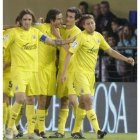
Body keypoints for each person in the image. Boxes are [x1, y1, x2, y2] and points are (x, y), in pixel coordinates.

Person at [3, 9, 75, 139]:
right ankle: (9, 128)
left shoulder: (36, 32)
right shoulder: (14, 32)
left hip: (34, 71)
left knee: (34, 100)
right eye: (24, 19)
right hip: (20, 71)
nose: (27, 22)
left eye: (29, 20)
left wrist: (68, 40)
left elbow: (53, 42)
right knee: (21, 99)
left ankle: (32, 132)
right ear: (20, 21)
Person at [61, 14, 134, 139]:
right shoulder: (80, 37)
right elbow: (69, 54)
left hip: (91, 75)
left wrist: (126, 59)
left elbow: (110, 51)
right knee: (88, 100)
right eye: (88, 23)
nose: (91, 25)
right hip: (80, 74)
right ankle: (98, 131)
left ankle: (75, 131)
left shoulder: (98, 36)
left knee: (83, 104)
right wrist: (64, 73)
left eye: (92, 23)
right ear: (83, 26)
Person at [49, 7, 82, 138]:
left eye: (71, 17)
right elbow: (52, 28)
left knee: (74, 101)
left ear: (77, 20)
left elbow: (68, 49)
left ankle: (78, 129)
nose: (67, 19)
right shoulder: (62, 28)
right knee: (64, 100)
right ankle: (61, 131)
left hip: (72, 71)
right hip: (61, 70)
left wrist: (58, 37)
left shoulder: (78, 33)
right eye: (67, 16)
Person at [34, 8, 63, 138]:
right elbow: (24, 26)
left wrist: (57, 33)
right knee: (42, 98)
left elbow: (62, 45)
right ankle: (41, 130)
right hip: (40, 68)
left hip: (52, 69)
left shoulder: (58, 31)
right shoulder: (40, 27)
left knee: (48, 101)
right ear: (51, 20)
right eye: (59, 19)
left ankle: (35, 127)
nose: (61, 21)